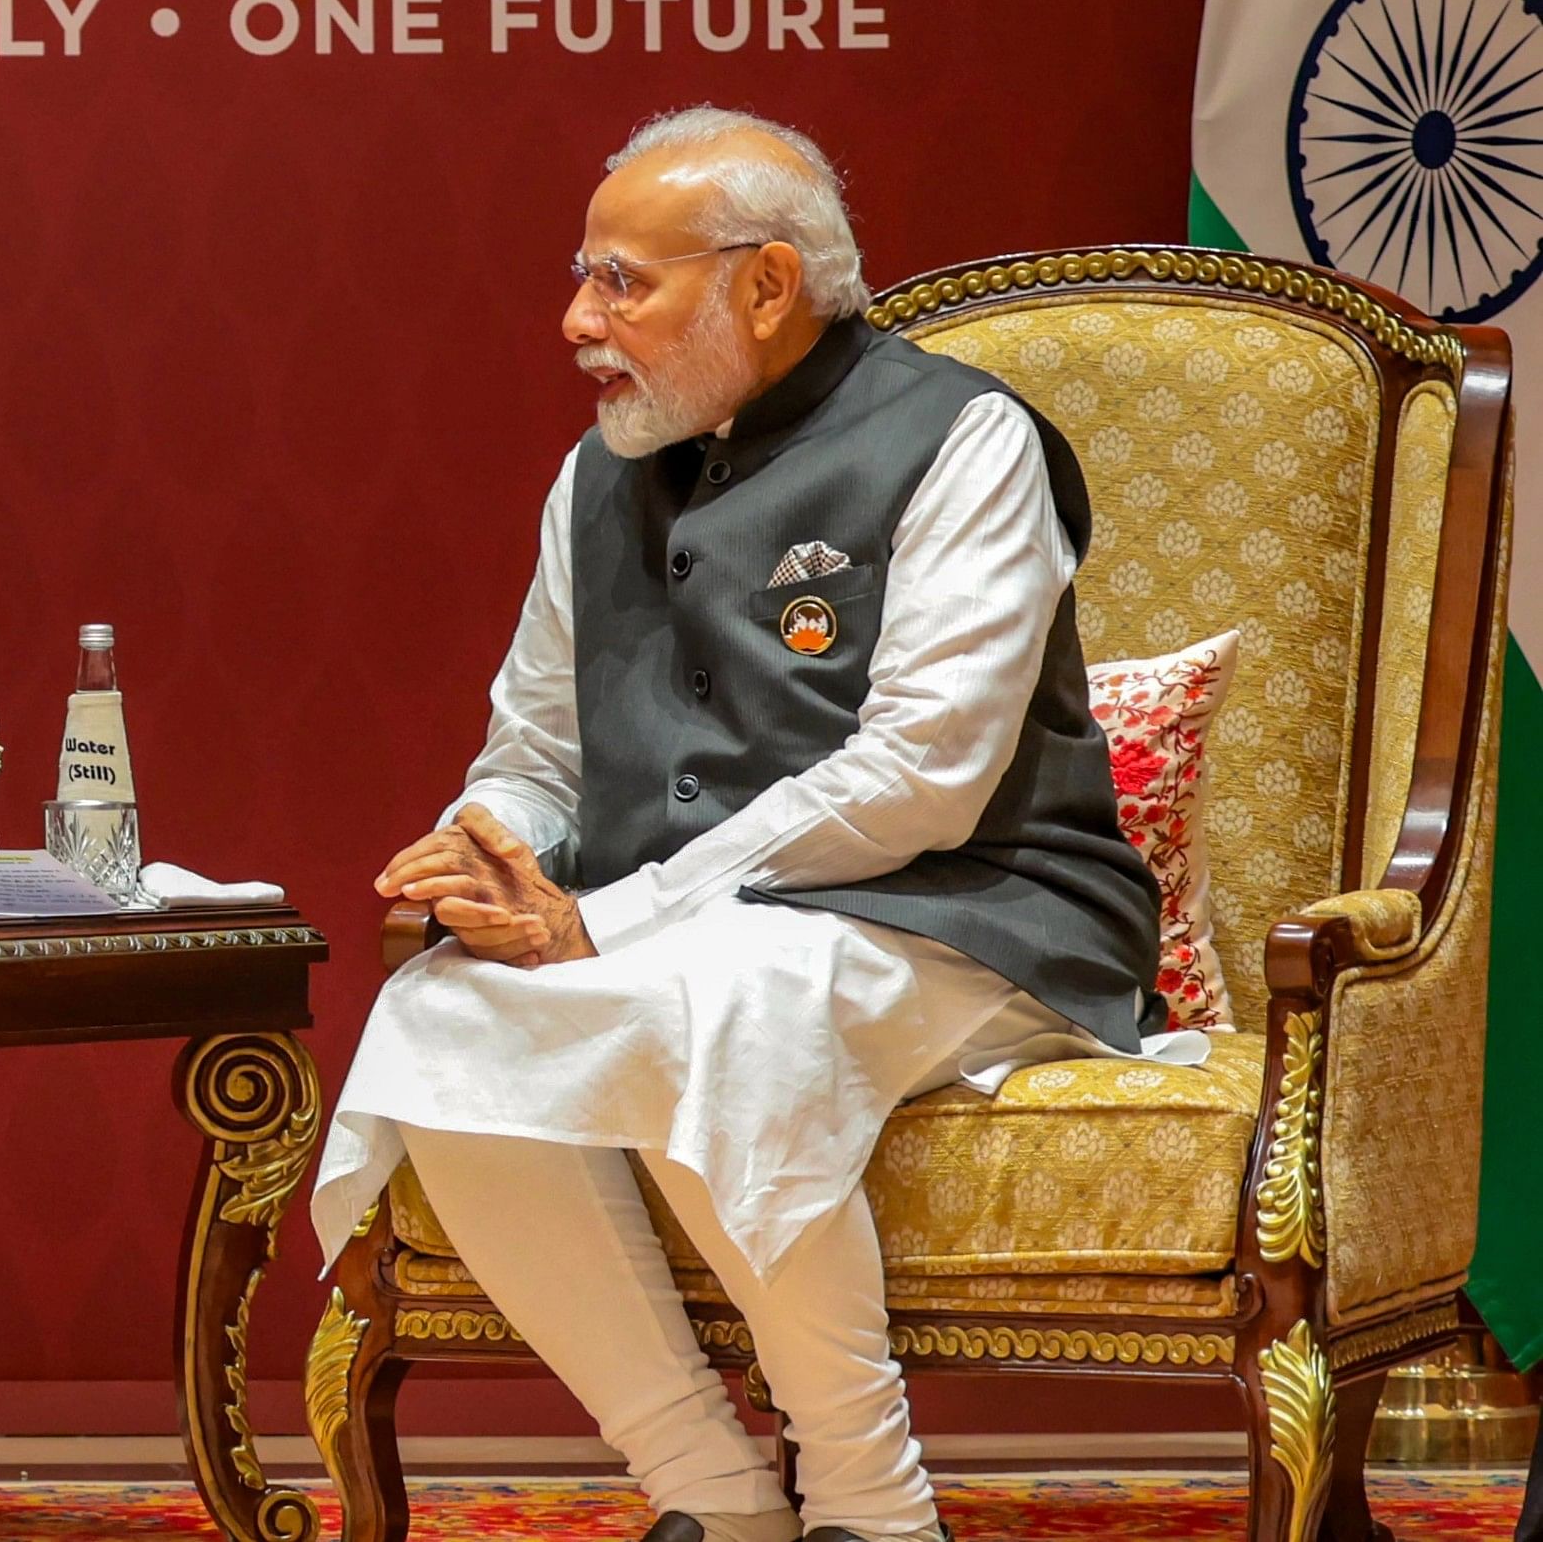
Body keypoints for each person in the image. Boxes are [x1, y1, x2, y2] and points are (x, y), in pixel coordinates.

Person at [309, 107, 1188, 1542]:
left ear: (766, 286)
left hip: (977, 909)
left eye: (622, 282)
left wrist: (610, 919)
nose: (577, 321)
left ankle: (868, 1498)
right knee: (446, 1016)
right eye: (584, 277)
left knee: (735, 993)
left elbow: (924, 774)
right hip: (679, 935)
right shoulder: (599, 472)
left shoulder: (962, 438)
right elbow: (538, 743)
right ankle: (707, 1491)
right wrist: (492, 842)